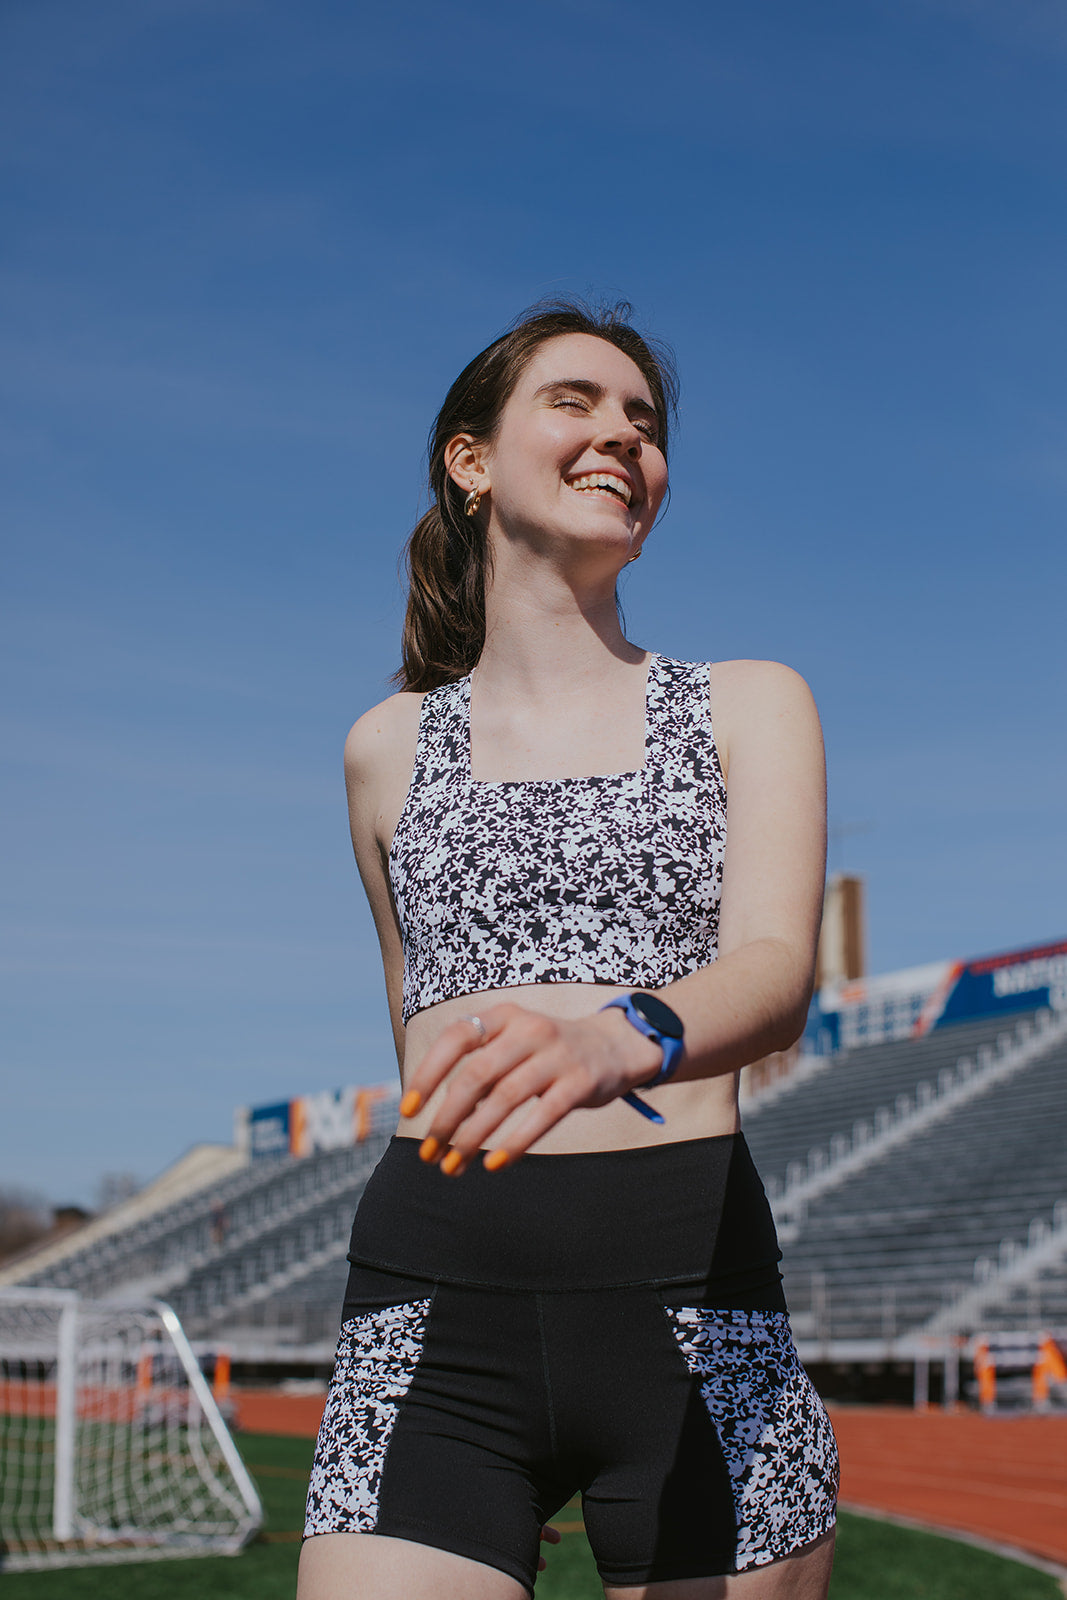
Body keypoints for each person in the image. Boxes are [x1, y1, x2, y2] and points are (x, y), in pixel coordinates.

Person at [297, 301, 838, 1600]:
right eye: (579, 403)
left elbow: (777, 973)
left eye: (645, 422)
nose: (622, 437)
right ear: (470, 460)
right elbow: (415, 1031)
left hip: (692, 1306)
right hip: (435, 1310)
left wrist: (616, 1035)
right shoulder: (384, 748)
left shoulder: (747, 703)